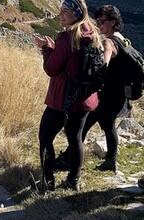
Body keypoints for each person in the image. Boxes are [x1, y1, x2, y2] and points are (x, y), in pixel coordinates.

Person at [34, 0, 102, 191]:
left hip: (63, 99)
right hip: (85, 97)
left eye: (65, 11)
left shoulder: (67, 37)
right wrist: (56, 50)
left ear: (77, 13)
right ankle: (74, 181)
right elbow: (73, 61)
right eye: (60, 10)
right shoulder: (90, 31)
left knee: (45, 136)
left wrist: (46, 49)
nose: (61, 15)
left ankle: (47, 182)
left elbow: (51, 68)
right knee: (75, 137)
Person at [55, 5, 130, 173]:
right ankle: (111, 160)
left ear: (113, 22)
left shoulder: (109, 42)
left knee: (80, 129)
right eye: (98, 21)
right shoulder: (123, 39)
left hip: (107, 96)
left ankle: (69, 162)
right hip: (118, 96)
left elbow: (104, 63)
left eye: (102, 21)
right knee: (108, 126)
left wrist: (95, 67)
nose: (99, 25)